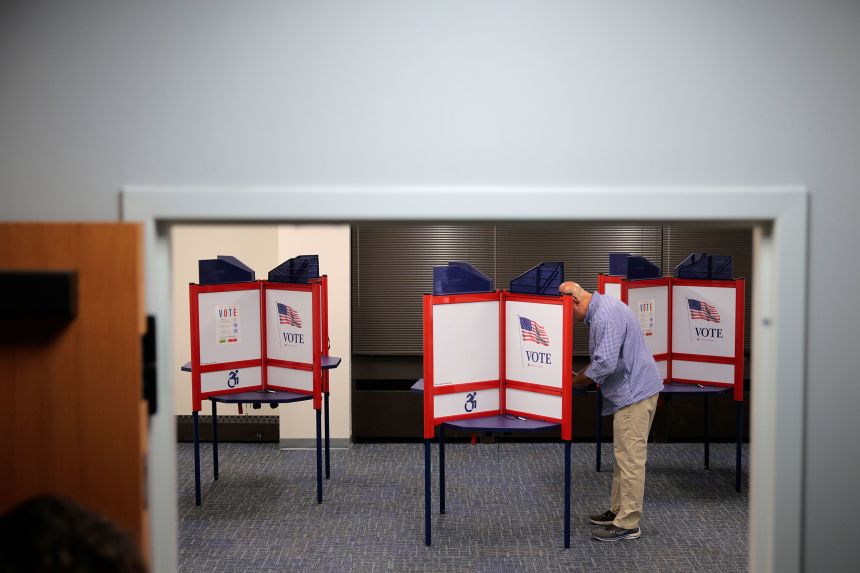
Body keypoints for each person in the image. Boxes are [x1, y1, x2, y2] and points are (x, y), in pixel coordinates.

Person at [559, 280, 663, 542]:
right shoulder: (601, 307)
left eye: (566, 312)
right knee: (623, 457)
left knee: (630, 460)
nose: (568, 321)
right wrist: (580, 375)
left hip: (634, 393)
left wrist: (572, 381)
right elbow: (603, 361)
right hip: (633, 390)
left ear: (574, 301)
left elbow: (603, 365)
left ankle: (628, 523)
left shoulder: (605, 316)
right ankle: (618, 511)